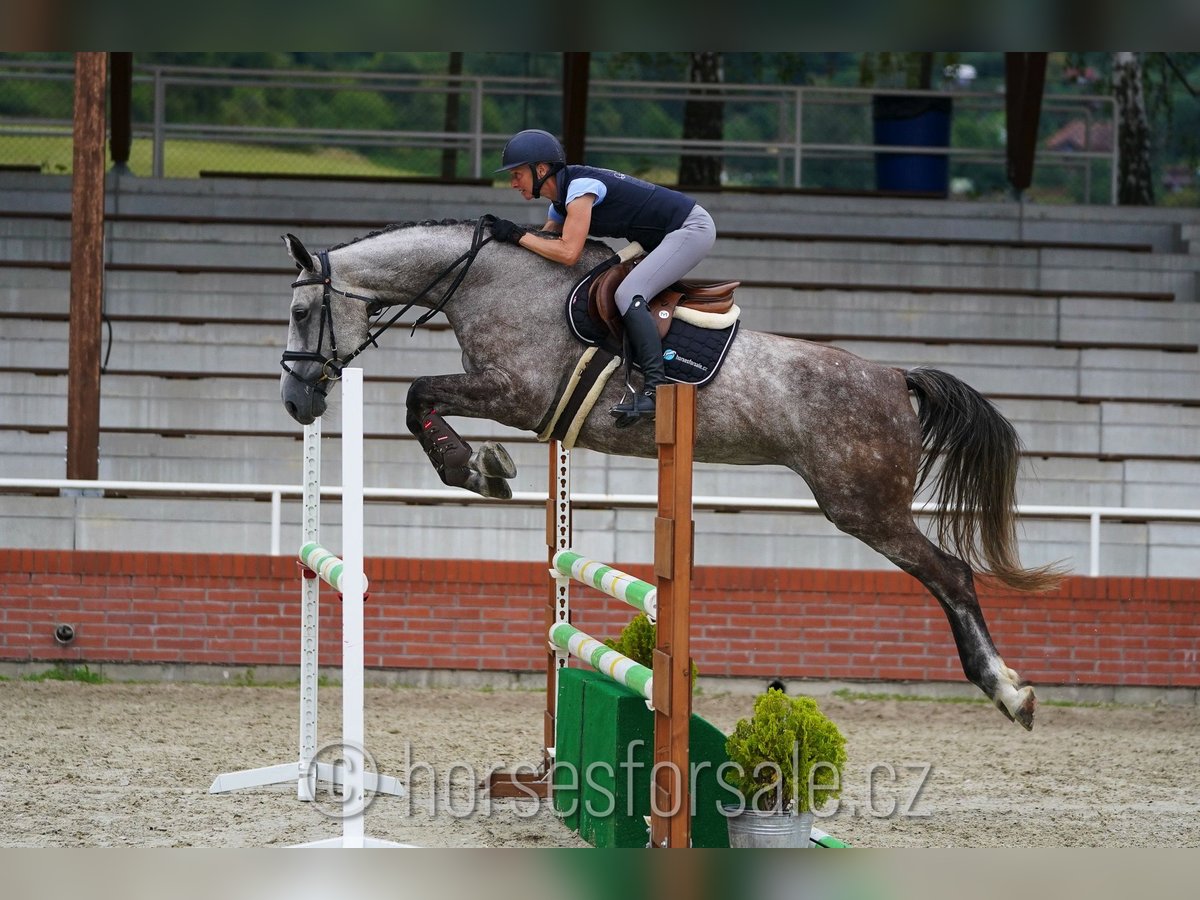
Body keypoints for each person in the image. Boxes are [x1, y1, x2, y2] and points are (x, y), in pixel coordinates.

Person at [489, 128, 716, 426]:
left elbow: (568, 252)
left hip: (690, 229)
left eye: (517, 174)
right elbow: (545, 242)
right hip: (664, 236)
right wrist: (504, 242)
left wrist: (517, 235)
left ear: (541, 169)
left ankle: (657, 389)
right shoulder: (559, 204)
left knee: (627, 294)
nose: (513, 182)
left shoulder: (580, 189)